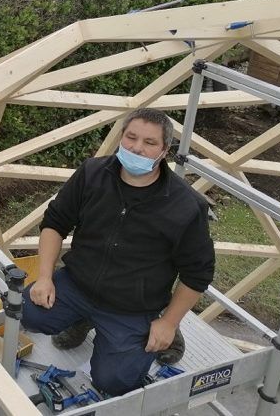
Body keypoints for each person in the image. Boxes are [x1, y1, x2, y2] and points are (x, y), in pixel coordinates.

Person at [21, 108, 214, 397]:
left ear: (164, 151)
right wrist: (45, 277)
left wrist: (168, 322)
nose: (137, 148)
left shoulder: (186, 206)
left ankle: (164, 330)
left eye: (149, 142)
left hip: (132, 305)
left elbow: (197, 274)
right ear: (121, 137)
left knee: (114, 381)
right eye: (131, 137)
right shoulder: (92, 173)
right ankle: (83, 318)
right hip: (78, 285)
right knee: (27, 312)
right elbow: (54, 223)